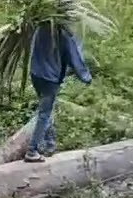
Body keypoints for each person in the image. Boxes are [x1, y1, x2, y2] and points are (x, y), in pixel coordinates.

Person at [25, 21, 92, 163]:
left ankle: (49, 145)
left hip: (36, 74)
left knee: (47, 111)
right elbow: (74, 57)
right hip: (50, 78)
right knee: (44, 114)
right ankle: (32, 150)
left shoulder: (41, 26)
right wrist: (86, 77)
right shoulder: (62, 33)